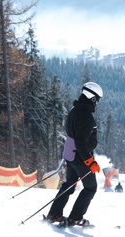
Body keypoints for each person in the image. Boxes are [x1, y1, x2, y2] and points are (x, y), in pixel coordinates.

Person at [45, 82, 103, 228]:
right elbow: (81, 143)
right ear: (93, 99)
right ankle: (75, 218)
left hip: (70, 156)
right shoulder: (87, 117)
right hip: (81, 158)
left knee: (69, 184)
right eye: (98, 100)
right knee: (90, 188)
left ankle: (54, 214)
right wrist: (91, 162)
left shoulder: (73, 111)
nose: (98, 103)